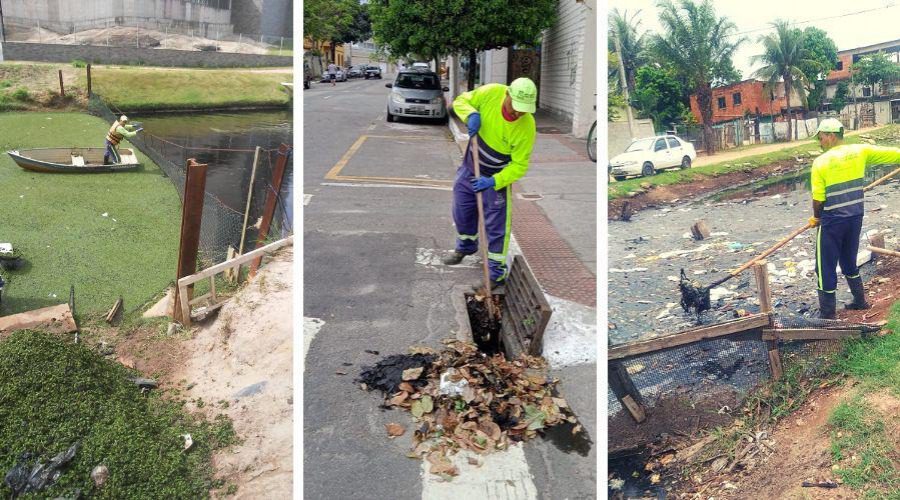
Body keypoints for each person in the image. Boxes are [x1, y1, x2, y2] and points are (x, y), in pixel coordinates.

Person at [441, 78, 538, 292]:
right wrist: (471, 115)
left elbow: (520, 165)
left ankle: (496, 274)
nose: (518, 114)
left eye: (524, 110)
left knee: (497, 226)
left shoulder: (526, 126)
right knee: (462, 209)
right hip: (470, 168)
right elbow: (460, 102)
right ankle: (466, 246)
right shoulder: (491, 93)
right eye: (515, 107)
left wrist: (494, 181)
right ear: (507, 95)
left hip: (496, 177)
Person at [809, 118, 900, 318]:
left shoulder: (820, 163)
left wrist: (816, 218)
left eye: (821, 137)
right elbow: (895, 155)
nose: (820, 142)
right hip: (855, 216)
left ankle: (827, 316)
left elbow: (818, 199)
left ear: (831, 136)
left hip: (832, 221)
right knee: (849, 260)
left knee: (824, 267)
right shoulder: (861, 151)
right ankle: (860, 301)